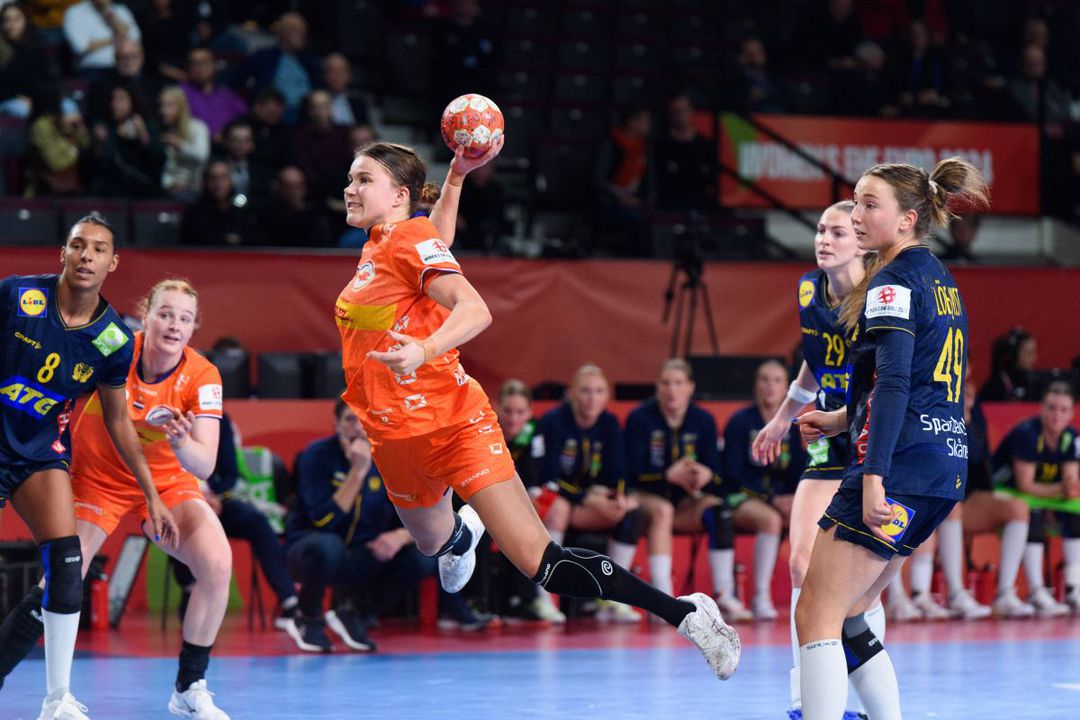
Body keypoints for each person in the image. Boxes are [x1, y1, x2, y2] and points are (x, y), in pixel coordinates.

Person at [336, 139, 740, 680]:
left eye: (363, 179)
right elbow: (437, 239)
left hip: (455, 424)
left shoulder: (406, 237)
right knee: (432, 542)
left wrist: (423, 350)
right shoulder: (384, 243)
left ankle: (688, 615)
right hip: (393, 436)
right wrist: (456, 177)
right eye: (351, 178)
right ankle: (461, 536)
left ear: (399, 195)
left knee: (540, 563)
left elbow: (475, 308)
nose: (350, 188)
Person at [795, 157, 989, 720]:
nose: (855, 214)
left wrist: (874, 478)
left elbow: (899, 381)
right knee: (852, 615)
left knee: (816, 613)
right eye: (855, 201)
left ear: (907, 218)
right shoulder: (939, 276)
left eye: (868, 204)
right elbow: (924, 376)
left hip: (899, 466)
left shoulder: (892, 280)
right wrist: (843, 420)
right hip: (941, 466)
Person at [0, 279, 231, 719]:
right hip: (97, 481)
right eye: (165, 314)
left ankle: (189, 687)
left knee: (217, 564)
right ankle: (41, 691)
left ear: (193, 327)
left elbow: (204, 465)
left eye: (185, 319)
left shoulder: (203, 375)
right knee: (62, 577)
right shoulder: (114, 348)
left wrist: (181, 442)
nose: (174, 325)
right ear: (146, 316)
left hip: (166, 485)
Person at [0, 216, 178, 720]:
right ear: (63, 253)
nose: (86, 256)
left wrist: (152, 494)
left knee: (67, 563)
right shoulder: (17, 296)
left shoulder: (114, 339)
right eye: (78, 245)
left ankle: (56, 699)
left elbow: (120, 421)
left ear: (112, 263)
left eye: (98, 249)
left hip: (39, 454)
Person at [751, 201, 888, 718]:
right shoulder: (809, 289)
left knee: (860, 584)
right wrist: (782, 416)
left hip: (871, 435)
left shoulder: (879, 298)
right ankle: (804, 699)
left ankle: (863, 700)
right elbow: (816, 358)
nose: (823, 240)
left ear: (861, 243)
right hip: (829, 436)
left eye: (837, 232)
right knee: (800, 563)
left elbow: (889, 384)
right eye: (820, 230)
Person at [284, 401, 489, 652]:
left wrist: (400, 536)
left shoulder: (388, 459)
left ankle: (356, 614)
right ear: (336, 424)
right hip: (310, 549)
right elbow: (324, 519)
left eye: (363, 421)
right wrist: (358, 472)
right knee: (328, 546)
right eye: (349, 420)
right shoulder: (315, 455)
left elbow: (414, 515)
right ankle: (308, 620)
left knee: (421, 558)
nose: (357, 428)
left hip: (361, 553)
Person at [625, 359, 746, 620]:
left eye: (678, 383)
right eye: (666, 383)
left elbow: (718, 473)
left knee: (720, 512)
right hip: (648, 497)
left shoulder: (703, 419)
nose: (672, 390)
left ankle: (724, 593)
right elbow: (631, 472)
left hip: (687, 500)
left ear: (690, 387)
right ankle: (662, 599)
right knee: (663, 510)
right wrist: (667, 476)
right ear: (657, 387)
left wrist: (704, 475)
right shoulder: (640, 418)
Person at [171, 411, 300, 636]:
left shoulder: (218, 417)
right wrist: (194, 497)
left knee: (256, 521)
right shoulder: (165, 415)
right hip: (177, 499)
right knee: (180, 525)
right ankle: (190, 589)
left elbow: (230, 473)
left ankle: (289, 600)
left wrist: (216, 496)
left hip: (217, 501)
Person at [534, 364, 644, 623]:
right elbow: (548, 477)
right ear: (572, 393)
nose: (592, 398)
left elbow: (618, 472)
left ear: (606, 396)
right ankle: (543, 598)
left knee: (630, 513)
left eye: (598, 391)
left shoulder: (609, 423)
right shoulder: (553, 421)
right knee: (558, 508)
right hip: (553, 497)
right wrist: (586, 498)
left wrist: (619, 498)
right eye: (585, 391)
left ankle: (613, 596)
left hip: (588, 502)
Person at [723, 359, 808, 621]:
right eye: (764, 379)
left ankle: (811, 595)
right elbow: (732, 473)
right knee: (770, 519)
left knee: (807, 514)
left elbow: (799, 468)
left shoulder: (792, 424)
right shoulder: (740, 422)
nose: (770, 386)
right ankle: (761, 596)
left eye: (777, 380)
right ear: (755, 385)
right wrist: (772, 499)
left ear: (787, 388)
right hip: (739, 496)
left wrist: (794, 496)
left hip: (777, 498)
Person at [990, 381, 1079, 616]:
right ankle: (1036, 590)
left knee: (1076, 510)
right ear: (1042, 408)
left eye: (1063, 410)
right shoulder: (1027, 433)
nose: (1057, 415)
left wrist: (1067, 489)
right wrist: (1064, 488)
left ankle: (1074, 588)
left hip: (1041, 495)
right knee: (1033, 512)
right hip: (1003, 491)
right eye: (1052, 408)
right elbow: (1025, 485)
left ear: (1072, 413)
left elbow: (1071, 486)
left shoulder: (1071, 437)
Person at [493, 379, 548, 623]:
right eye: (508, 411)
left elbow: (536, 475)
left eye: (520, 412)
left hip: (521, 501)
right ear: (497, 408)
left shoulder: (534, 433)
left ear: (530, 412)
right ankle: (485, 601)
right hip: (488, 501)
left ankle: (532, 599)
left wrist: (531, 497)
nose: (514, 419)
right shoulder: (487, 430)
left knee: (536, 519)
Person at [158, 85, 210, 201]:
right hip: (167, 190)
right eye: (161, 105)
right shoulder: (164, 130)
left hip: (193, 190)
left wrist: (179, 145)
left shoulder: (197, 127)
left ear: (181, 106)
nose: (163, 111)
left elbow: (202, 156)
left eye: (170, 105)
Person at [62, 0, 141, 75]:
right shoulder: (75, 12)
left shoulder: (121, 10)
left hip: (124, 66)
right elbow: (81, 47)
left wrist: (114, 20)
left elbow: (134, 39)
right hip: (94, 67)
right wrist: (113, 39)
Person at [979, 327, 1039, 402]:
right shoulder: (993, 389)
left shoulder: (1036, 384)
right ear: (1013, 355)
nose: (1034, 359)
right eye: (1029, 353)